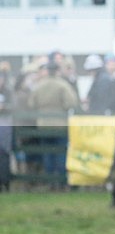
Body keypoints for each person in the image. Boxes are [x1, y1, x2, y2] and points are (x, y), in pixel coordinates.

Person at [27, 60, 80, 188]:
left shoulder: (39, 86)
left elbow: (31, 104)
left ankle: (50, 180)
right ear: (57, 71)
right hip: (60, 124)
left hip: (43, 124)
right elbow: (71, 103)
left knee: (47, 153)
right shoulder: (63, 85)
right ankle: (61, 181)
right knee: (61, 152)